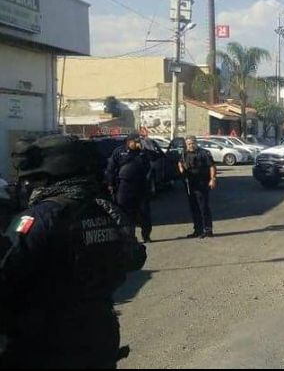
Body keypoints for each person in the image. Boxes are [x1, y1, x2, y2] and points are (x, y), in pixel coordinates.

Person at [0, 134, 146, 368]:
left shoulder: (41, 218)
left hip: (48, 341)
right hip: (99, 332)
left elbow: (6, 271)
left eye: (34, 181)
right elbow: (135, 257)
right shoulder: (106, 210)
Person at [105, 133, 156, 243]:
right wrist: (110, 184)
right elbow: (111, 169)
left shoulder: (143, 152)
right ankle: (129, 237)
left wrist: (145, 149)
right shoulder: (119, 151)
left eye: (139, 141)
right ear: (129, 142)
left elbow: (154, 157)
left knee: (144, 212)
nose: (137, 143)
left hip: (141, 185)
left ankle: (146, 235)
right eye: (135, 142)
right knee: (125, 213)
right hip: (124, 186)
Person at [178, 136, 217, 238]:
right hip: (190, 184)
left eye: (192, 143)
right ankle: (198, 230)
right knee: (194, 208)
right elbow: (180, 162)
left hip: (202, 183)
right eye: (189, 144)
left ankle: (208, 230)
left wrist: (212, 179)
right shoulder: (184, 153)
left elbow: (211, 166)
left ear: (196, 143)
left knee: (203, 207)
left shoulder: (204, 153)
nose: (191, 145)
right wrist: (181, 169)